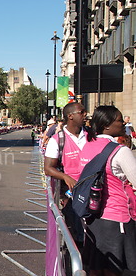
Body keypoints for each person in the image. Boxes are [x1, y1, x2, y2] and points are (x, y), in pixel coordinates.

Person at [77, 105, 136, 276]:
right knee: (113, 274)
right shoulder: (119, 150)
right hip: (117, 218)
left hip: (93, 218)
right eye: (119, 121)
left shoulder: (87, 146)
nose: (123, 124)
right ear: (107, 125)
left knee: (95, 271)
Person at [44, 102, 88, 245]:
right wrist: (65, 177)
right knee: (76, 231)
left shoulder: (91, 135)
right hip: (71, 194)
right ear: (70, 116)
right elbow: (48, 168)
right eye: (81, 112)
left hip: (93, 192)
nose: (85, 115)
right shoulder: (58, 140)